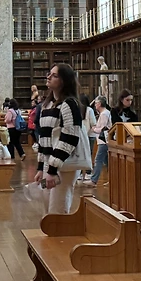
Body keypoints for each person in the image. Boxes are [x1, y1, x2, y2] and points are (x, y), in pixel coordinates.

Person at [34, 63, 90, 215]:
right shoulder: (47, 105)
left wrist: (52, 170)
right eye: (49, 74)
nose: (49, 77)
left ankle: (61, 232)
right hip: (48, 163)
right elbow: (44, 137)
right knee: (47, 206)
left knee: (58, 208)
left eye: (54, 75)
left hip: (64, 165)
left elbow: (70, 137)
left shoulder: (69, 104)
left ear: (64, 81)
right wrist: (41, 167)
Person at [88, 96, 113, 186]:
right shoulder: (105, 113)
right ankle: (112, 180)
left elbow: (103, 128)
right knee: (107, 162)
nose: (95, 105)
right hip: (104, 140)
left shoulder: (104, 114)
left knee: (98, 160)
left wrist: (94, 129)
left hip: (103, 140)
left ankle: (94, 180)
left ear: (99, 104)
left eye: (96, 103)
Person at [76, 95, 98, 188]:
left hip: (81, 135)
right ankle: (88, 173)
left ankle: (81, 173)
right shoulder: (89, 110)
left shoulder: (78, 110)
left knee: (81, 153)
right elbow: (93, 123)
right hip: (89, 135)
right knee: (88, 153)